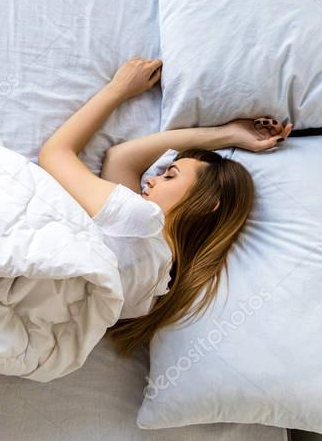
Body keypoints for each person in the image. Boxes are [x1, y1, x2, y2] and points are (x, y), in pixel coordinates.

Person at [38, 57, 292, 354]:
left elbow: (54, 154)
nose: (150, 181)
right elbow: (121, 159)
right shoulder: (152, 292)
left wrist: (117, 90)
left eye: (169, 175)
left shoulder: (138, 220)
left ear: (208, 203)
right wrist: (228, 134)